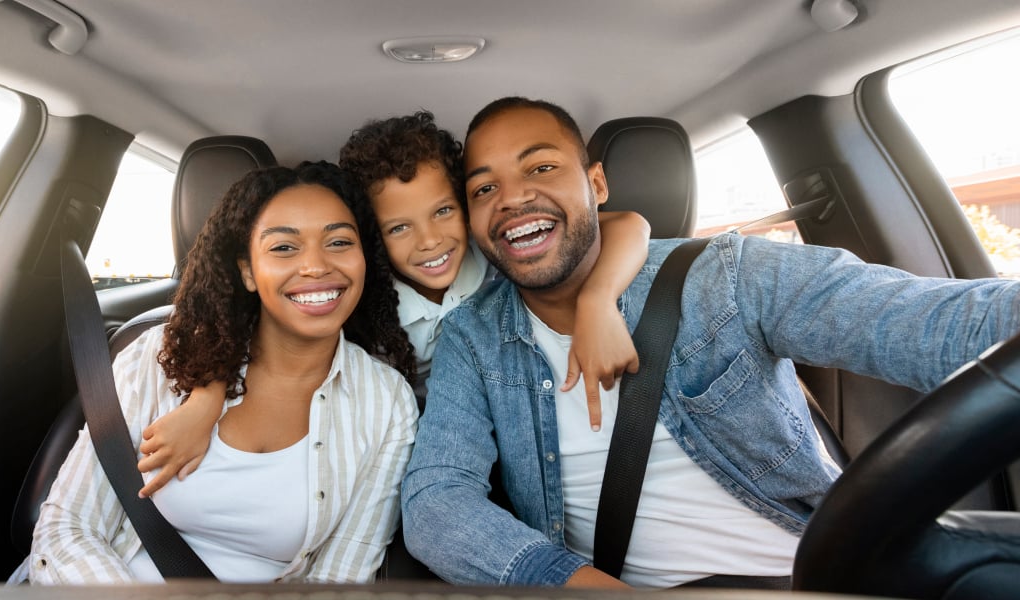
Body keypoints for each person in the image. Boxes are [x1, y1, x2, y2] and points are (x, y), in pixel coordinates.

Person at [399, 97, 1020, 589]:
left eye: (540, 167)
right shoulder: (473, 339)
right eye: (483, 189)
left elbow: (944, 323)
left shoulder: (726, 276)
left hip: (802, 576)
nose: (512, 198)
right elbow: (436, 502)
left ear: (597, 183)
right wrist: (577, 586)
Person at [135, 111, 652, 495]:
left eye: (444, 211)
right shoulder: (358, 298)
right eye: (399, 227)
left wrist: (598, 302)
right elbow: (249, 328)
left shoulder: (498, 251)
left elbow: (629, 225)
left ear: (469, 207)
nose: (429, 242)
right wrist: (205, 400)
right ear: (373, 239)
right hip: (416, 438)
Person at [12, 161, 419, 584]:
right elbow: (66, 529)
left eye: (338, 242)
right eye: (283, 248)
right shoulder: (158, 357)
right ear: (247, 271)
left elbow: (344, 574)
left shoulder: (387, 404)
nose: (316, 266)